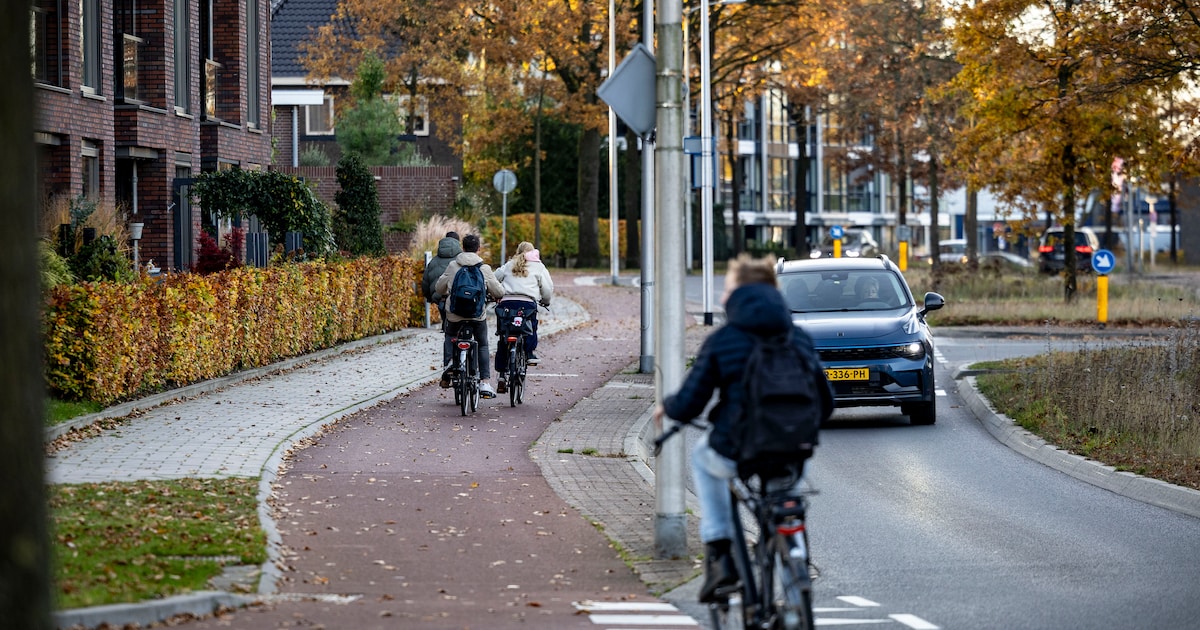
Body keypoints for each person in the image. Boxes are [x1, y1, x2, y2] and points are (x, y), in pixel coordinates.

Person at [652, 253, 833, 604]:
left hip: (738, 447)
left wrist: (667, 408)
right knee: (787, 501)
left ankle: (720, 553)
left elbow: (691, 401)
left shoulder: (724, 339)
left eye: (727, 289)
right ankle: (794, 578)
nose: (722, 296)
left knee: (703, 458)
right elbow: (825, 402)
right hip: (793, 448)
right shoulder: (798, 338)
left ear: (738, 294)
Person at [434, 234, 505, 398]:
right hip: (476, 315)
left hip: (454, 314)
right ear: (478, 248)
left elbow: (439, 288)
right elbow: (499, 291)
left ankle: (449, 363)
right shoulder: (484, 268)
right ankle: (485, 382)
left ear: (462, 248)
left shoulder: (453, 265)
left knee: (450, 335)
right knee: (482, 343)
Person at [492, 241, 554, 393]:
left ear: (518, 251)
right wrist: (545, 301)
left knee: (504, 337)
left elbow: (493, 279)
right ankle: (530, 353)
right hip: (527, 305)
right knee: (531, 326)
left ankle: (502, 375)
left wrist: (495, 295)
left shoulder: (508, 265)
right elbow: (547, 288)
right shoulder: (539, 267)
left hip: (507, 305)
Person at [422, 231, 462, 368]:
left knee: (449, 332)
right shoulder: (461, 260)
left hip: (442, 301)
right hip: (460, 301)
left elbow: (425, 282)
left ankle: (448, 363)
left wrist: (430, 298)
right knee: (463, 329)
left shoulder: (434, 261)